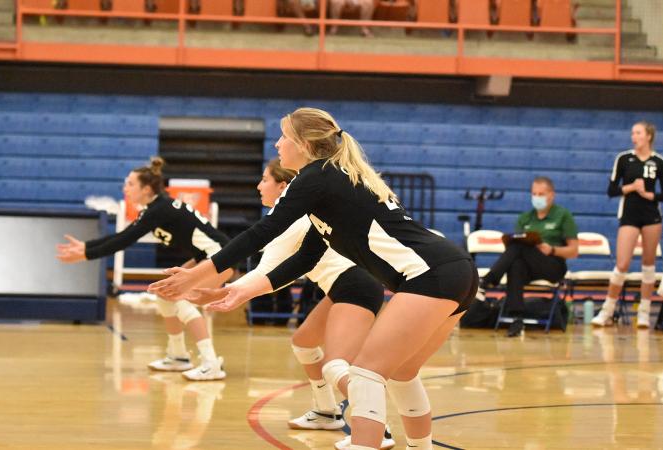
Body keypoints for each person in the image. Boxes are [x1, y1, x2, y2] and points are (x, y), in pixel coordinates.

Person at [150, 107, 477, 450]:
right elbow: (301, 260)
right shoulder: (333, 184)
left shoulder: (317, 176)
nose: (277, 144)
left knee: (365, 372)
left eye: (284, 138)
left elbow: (262, 232)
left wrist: (196, 275)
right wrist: (238, 292)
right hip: (453, 271)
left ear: (304, 144)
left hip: (430, 274)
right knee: (402, 373)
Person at [194, 158, 393, 448]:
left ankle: (378, 427)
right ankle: (327, 412)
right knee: (304, 342)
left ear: (283, 186)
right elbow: (275, 273)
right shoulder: (294, 217)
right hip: (342, 286)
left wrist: (225, 292)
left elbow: (268, 273)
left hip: (356, 285)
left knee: (335, 365)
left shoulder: (291, 220)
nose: (258, 185)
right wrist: (226, 291)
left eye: (265, 180)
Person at [56, 156, 233, 381]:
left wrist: (86, 253)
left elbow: (124, 240)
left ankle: (210, 362)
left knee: (181, 297)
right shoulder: (156, 207)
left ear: (146, 189)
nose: (125, 188)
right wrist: (86, 247)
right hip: (206, 257)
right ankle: (178, 356)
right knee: (164, 291)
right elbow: (123, 236)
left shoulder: (158, 209)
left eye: (130, 184)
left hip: (220, 257)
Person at [476, 176, 579, 337]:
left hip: (552, 265)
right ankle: (517, 319)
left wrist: (551, 250)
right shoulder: (525, 217)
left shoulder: (563, 215)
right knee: (516, 263)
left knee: (518, 247)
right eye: (534, 194)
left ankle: (487, 281)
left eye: (541, 194)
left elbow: (574, 251)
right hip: (528, 265)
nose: (537, 198)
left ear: (551, 195)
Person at [592, 122, 663, 329]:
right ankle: (606, 311)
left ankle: (644, 312)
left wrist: (648, 194)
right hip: (629, 215)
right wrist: (631, 187)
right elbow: (611, 190)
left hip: (652, 215)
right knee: (623, 263)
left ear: (648, 136)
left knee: (648, 263)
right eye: (632, 133)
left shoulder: (660, 162)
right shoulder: (624, 159)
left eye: (638, 133)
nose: (633, 136)